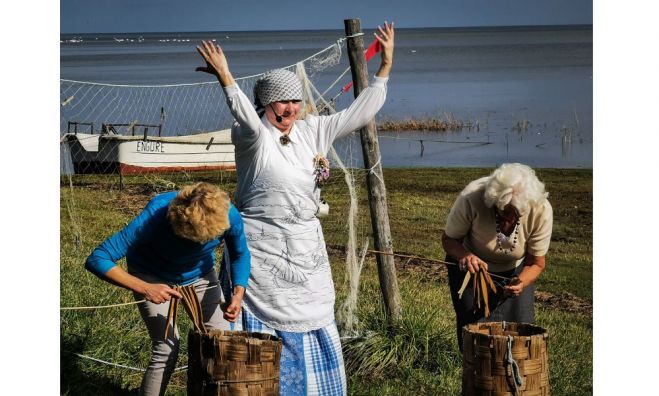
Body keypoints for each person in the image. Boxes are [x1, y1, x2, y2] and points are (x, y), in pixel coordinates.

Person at [194, 22, 395, 395]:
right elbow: (248, 122)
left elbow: (358, 113)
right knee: (256, 336)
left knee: (312, 315)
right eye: (281, 102)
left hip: (305, 251)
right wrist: (226, 78)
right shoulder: (252, 137)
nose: (290, 109)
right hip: (261, 254)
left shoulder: (311, 130)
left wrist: (384, 69)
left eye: (295, 101)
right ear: (266, 105)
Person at [85, 182, 250, 396]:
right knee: (167, 347)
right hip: (150, 273)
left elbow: (240, 254)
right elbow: (98, 258)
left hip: (199, 274)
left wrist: (238, 295)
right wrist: (145, 288)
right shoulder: (157, 212)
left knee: (220, 341)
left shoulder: (229, 215)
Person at [441, 163, 553, 351]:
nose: (509, 219)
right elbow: (449, 240)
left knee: (521, 337)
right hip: (471, 269)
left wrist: (521, 282)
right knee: (473, 334)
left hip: (514, 270)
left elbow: (536, 263)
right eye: (504, 211)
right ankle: (476, 376)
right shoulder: (472, 196)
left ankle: (515, 376)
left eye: (516, 214)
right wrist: (466, 256)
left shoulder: (540, 209)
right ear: (494, 201)